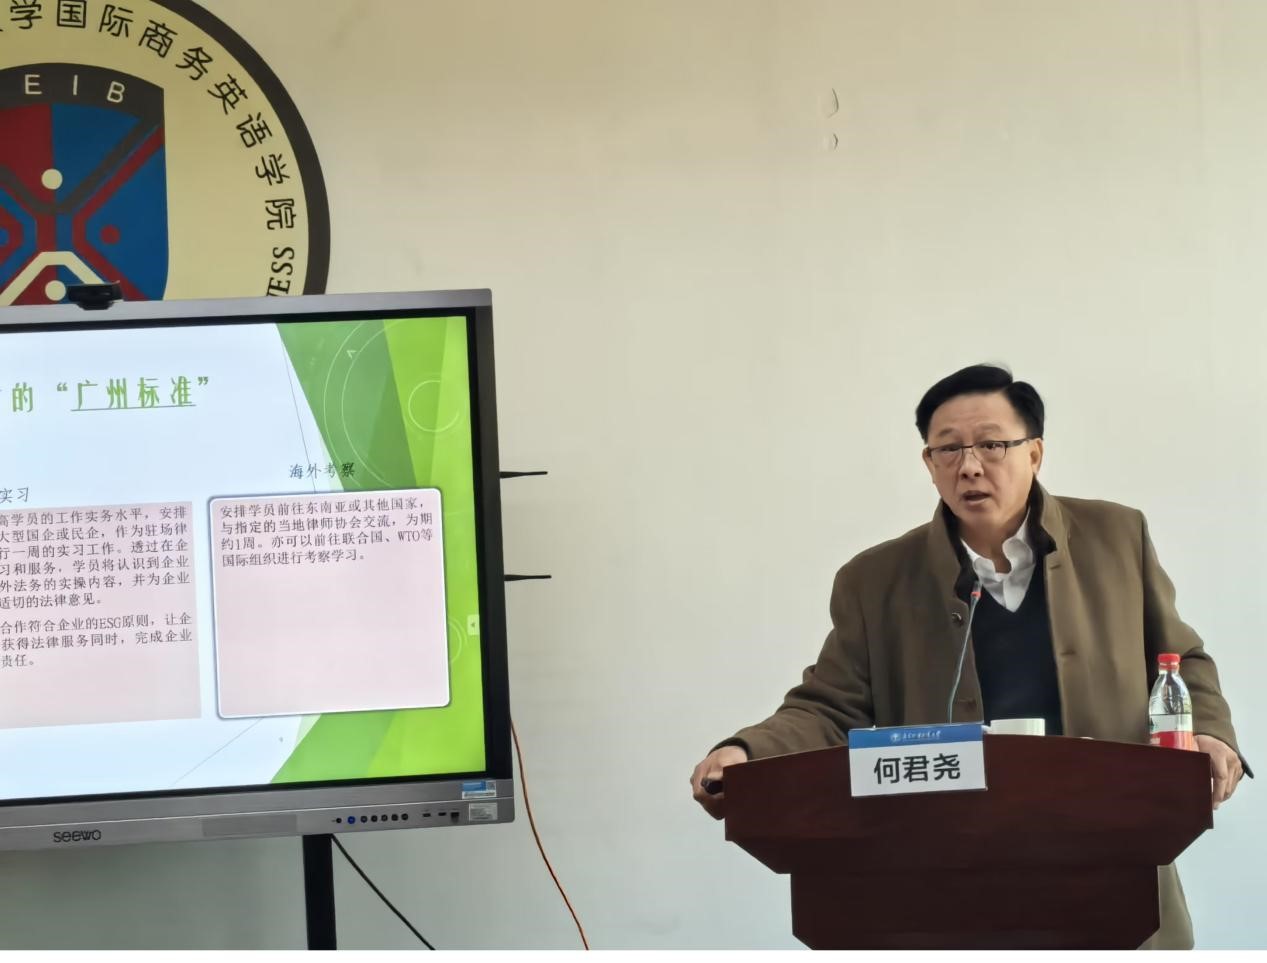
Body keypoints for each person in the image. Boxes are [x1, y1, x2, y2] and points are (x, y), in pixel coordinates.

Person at [690, 364, 1249, 950]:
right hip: (948, 873)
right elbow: (829, 707)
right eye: (949, 449)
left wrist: (1210, 733)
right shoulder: (875, 579)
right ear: (929, 464)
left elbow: (1179, 659)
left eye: (991, 444)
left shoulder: (1116, 536)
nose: (970, 465)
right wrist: (746, 753)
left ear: (1034, 453)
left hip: (1110, 861)